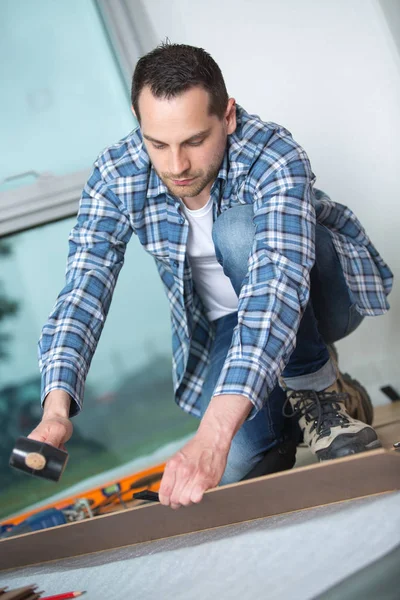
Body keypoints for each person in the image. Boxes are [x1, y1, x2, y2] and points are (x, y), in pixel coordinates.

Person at [29, 42, 393, 510]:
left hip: (320, 294)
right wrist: (56, 409)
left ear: (228, 117)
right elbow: (83, 288)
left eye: (194, 141)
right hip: (229, 321)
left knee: (238, 231)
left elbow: (276, 287)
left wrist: (214, 430)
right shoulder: (116, 174)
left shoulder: (274, 152)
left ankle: (317, 392)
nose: (175, 165)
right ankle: (330, 403)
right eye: (157, 143)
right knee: (235, 463)